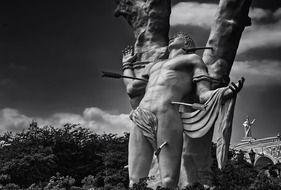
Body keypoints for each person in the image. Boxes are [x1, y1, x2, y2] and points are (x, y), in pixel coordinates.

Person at [122, 33, 244, 188]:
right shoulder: (153, 66)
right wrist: (127, 65)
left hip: (166, 114)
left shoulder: (192, 59)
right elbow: (131, 88)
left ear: (187, 44)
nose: (173, 37)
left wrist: (224, 92)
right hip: (140, 114)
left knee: (168, 180)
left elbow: (203, 95)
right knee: (134, 180)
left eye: (180, 36)